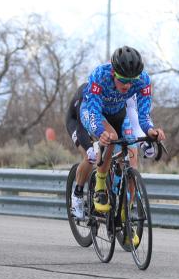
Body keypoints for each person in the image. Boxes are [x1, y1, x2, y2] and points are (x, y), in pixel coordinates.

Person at [79, 46, 166, 228]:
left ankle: (126, 214)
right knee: (110, 137)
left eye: (131, 80)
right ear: (113, 72)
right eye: (123, 79)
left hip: (119, 113)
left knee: (132, 161)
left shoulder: (143, 80)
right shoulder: (100, 75)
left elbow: (143, 115)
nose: (127, 85)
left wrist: (150, 130)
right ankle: (100, 187)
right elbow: (94, 110)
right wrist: (99, 132)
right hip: (94, 112)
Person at [66, 84, 154, 221]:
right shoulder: (90, 97)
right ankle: (77, 195)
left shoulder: (119, 96)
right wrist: (90, 148)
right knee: (90, 157)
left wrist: (143, 141)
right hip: (78, 121)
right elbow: (83, 128)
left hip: (105, 120)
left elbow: (133, 119)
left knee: (122, 151)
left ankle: (117, 193)